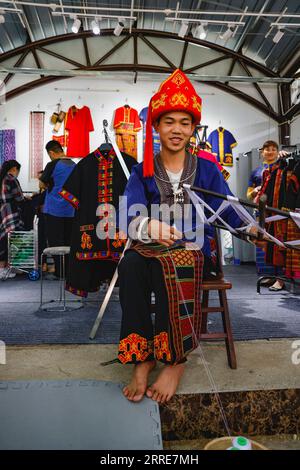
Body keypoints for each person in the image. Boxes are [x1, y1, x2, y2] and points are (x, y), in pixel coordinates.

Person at [117, 69, 245, 404]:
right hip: (150, 247)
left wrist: (251, 229)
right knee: (130, 265)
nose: (177, 130)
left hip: (195, 248)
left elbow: (226, 209)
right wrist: (148, 225)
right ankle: (143, 357)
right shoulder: (142, 170)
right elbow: (128, 213)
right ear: (156, 127)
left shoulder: (207, 167)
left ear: (193, 129)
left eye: (185, 123)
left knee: (173, 262)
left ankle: (175, 360)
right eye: (169, 121)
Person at [40, 141, 76, 277]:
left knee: (55, 242)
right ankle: (69, 272)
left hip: (54, 209)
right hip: (71, 210)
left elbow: (42, 184)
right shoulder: (74, 165)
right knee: (69, 242)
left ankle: (60, 272)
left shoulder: (52, 164)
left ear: (51, 153)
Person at [0, 160, 25, 279]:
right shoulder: (11, 179)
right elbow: (19, 198)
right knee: (13, 239)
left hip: (2, 212)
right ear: (14, 169)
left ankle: (2, 268)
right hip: (10, 212)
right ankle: (10, 268)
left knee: (3, 240)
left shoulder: (1, 178)